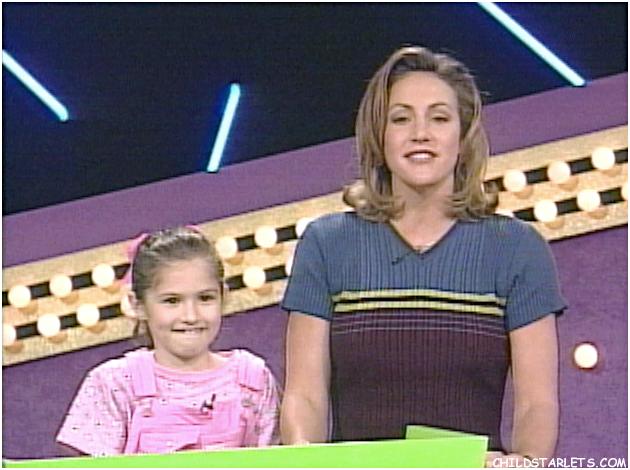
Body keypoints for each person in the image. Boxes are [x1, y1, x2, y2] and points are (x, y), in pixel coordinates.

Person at [280, 46, 566, 467]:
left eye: (439, 118)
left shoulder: (517, 249)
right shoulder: (327, 244)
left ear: (463, 136)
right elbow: (304, 396)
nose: (420, 133)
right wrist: (303, 458)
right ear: (379, 135)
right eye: (401, 118)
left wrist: (524, 461)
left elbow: (536, 405)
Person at [57, 226, 280, 456]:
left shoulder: (254, 379)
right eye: (172, 301)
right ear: (138, 305)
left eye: (205, 298)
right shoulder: (114, 383)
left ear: (223, 296)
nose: (191, 316)